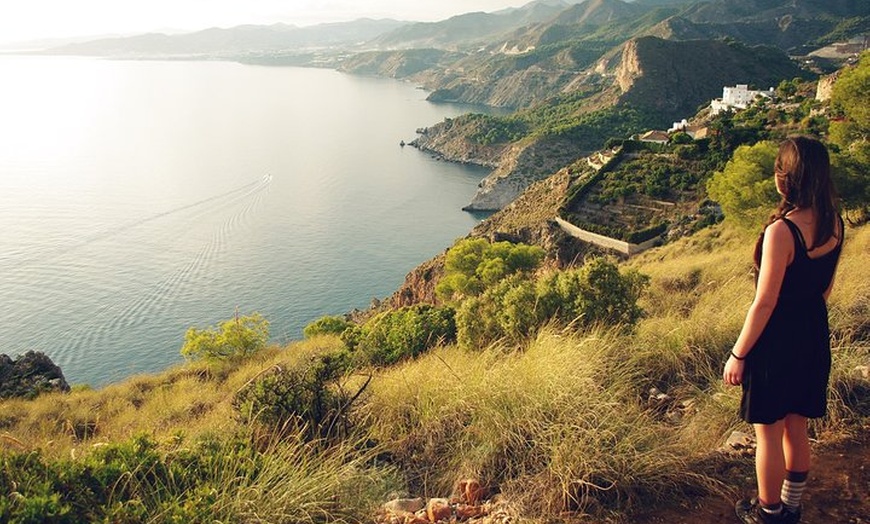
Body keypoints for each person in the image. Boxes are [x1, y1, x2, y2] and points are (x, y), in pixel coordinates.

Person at [722, 136, 844, 524]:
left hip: (775, 342)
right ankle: (791, 506)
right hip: (812, 333)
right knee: (797, 426)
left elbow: (765, 301)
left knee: (768, 435)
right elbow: (823, 290)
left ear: (785, 179)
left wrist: (738, 353)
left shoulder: (782, 232)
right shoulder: (835, 223)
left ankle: (769, 511)